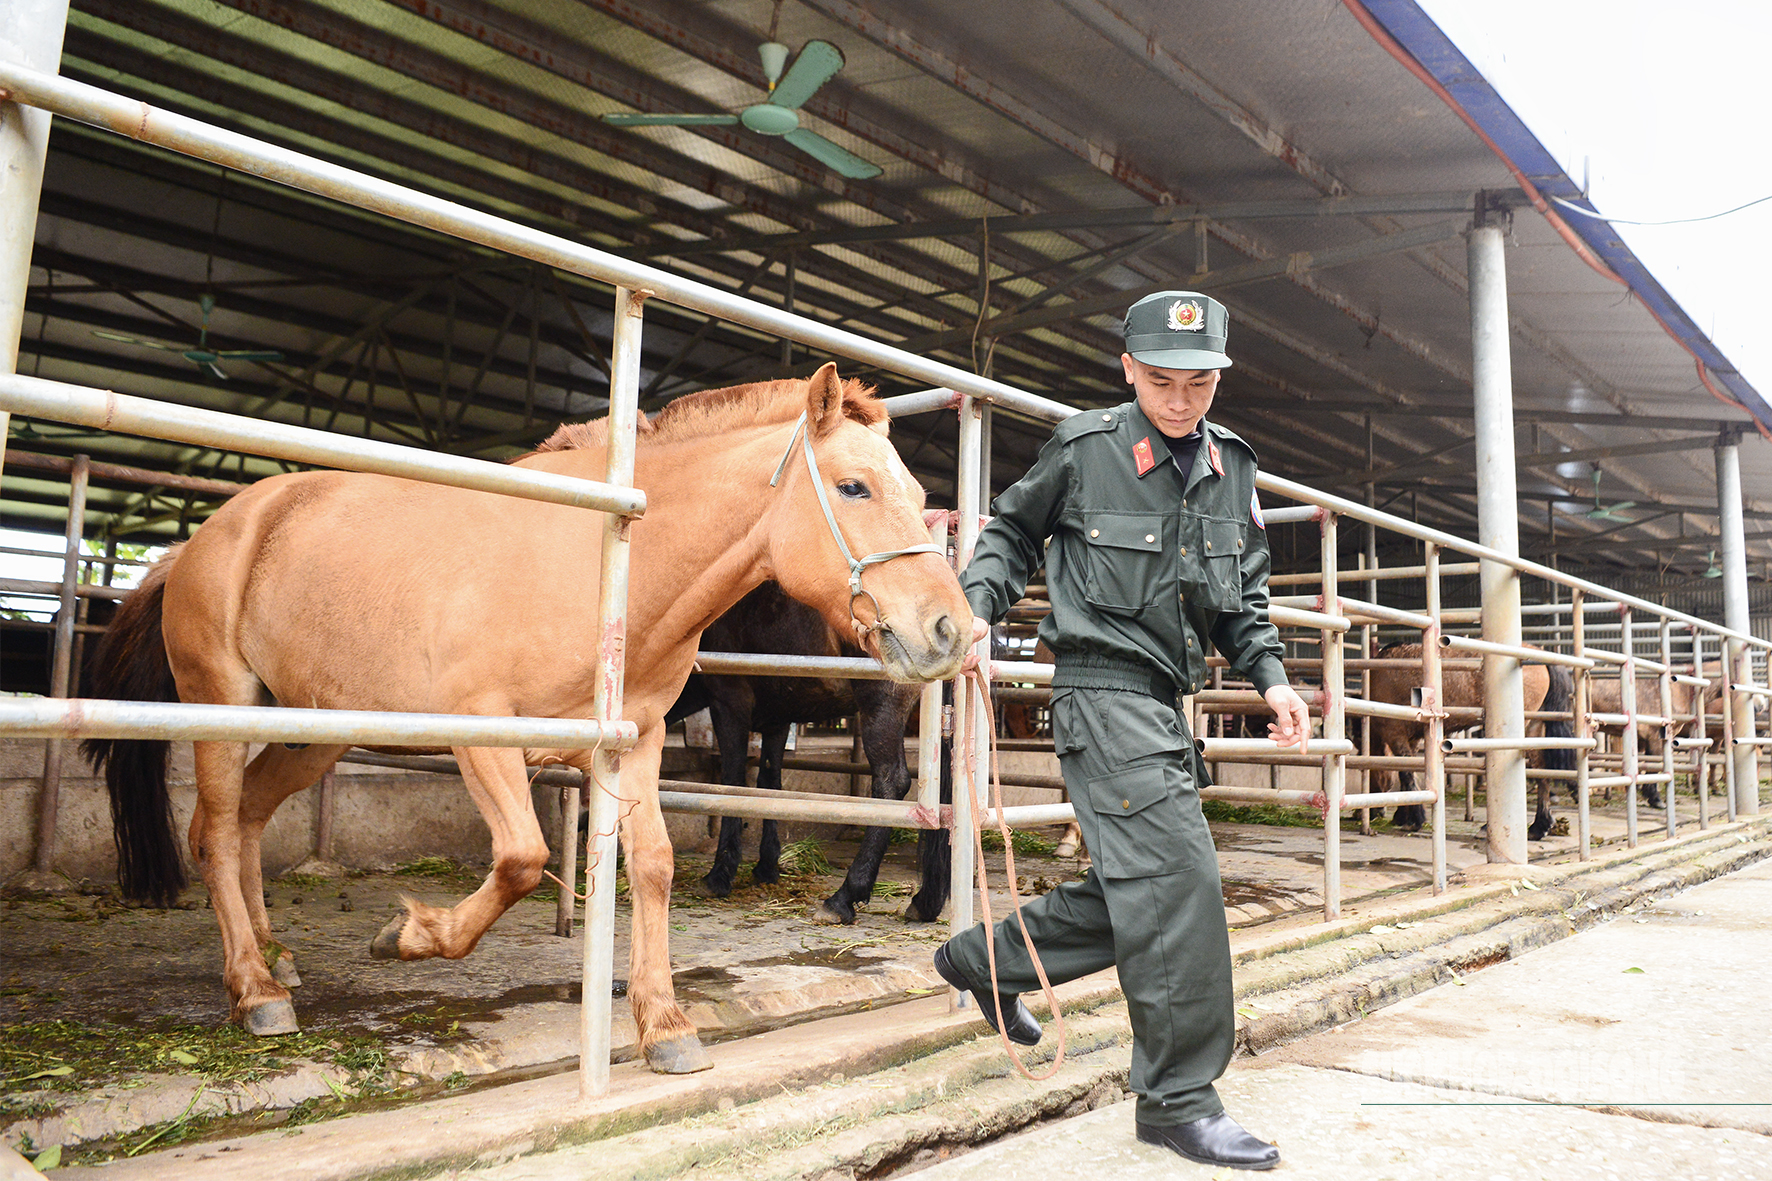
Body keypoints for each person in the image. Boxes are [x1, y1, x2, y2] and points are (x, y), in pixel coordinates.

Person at [933, 290, 1310, 1172]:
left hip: (1166, 706)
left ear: (1220, 377)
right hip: (1099, 694)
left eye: (1200, 384)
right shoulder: (1086, 448)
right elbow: (1011, 533)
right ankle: (1178, 1097)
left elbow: (1243, 601)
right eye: (1162, 381)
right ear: (1128, 367)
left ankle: (984, 961)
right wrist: (975, 607)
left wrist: (1275, 679)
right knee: (1182, 884)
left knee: (1143, 890)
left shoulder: (1234, 469)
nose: (1181, 401)